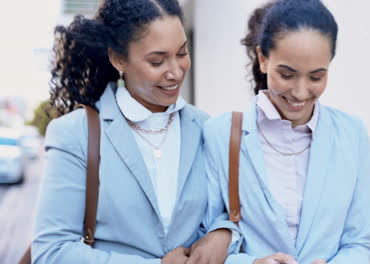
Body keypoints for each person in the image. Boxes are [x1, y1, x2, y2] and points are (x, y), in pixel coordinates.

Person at [32, 0, 232, 263]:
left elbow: (227, 213)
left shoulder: (208, 128)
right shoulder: (75, 134)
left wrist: (224, 232)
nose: (175, 72)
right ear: (118, 58)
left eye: (182, 53)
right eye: (157, 60)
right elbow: (52, 252)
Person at [203, 0, 370, 263]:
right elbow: (205, 235)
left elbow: (360, 242)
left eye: (316, 77)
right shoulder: (220, 134)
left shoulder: (352, 135)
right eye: (287, 75)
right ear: (263, 59)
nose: (300, 92)